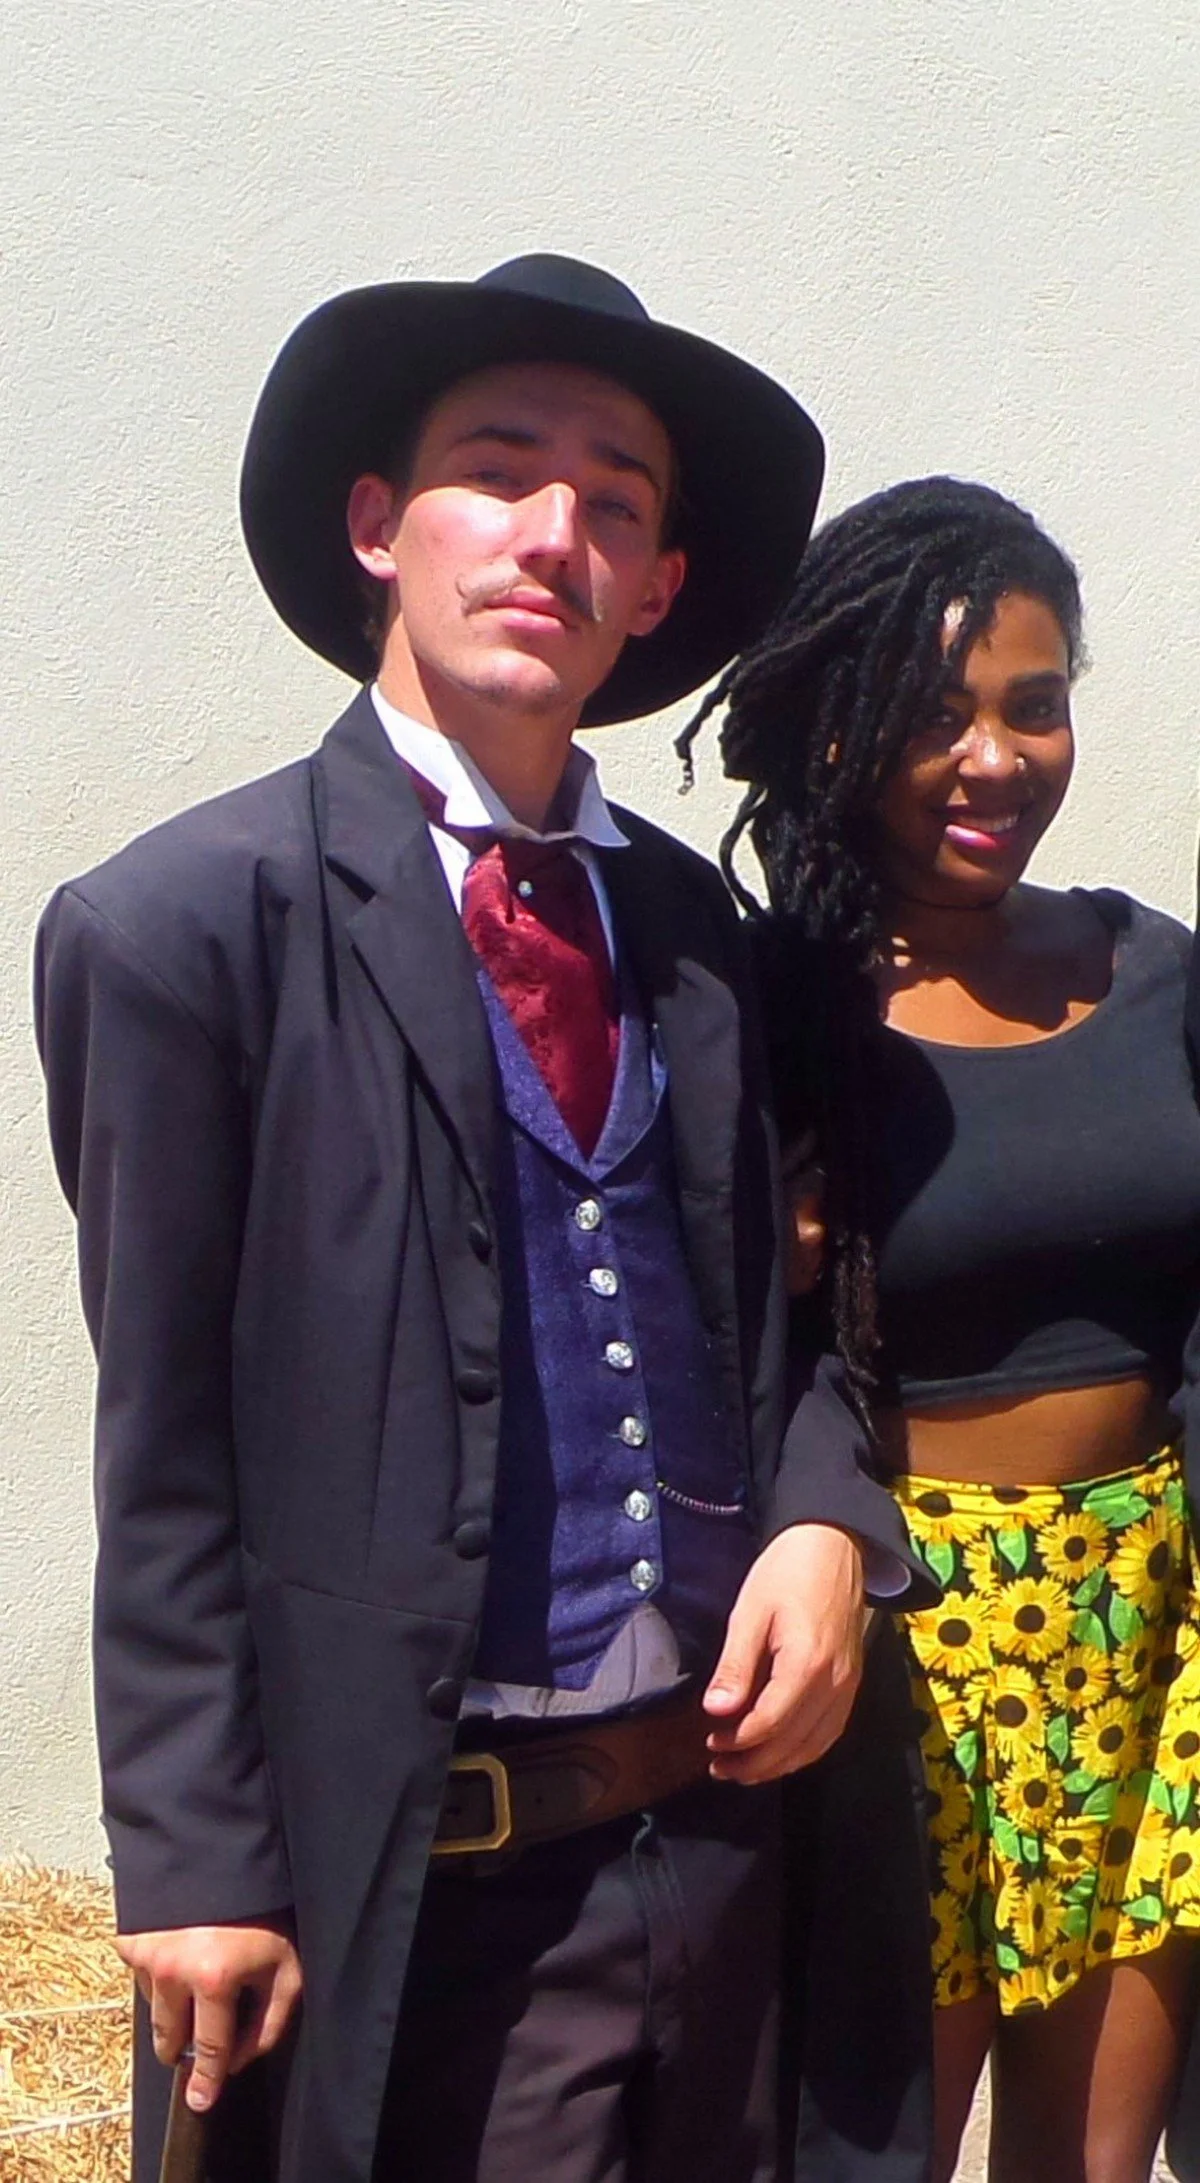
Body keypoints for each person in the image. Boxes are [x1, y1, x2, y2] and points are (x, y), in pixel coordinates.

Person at [33, 254, 928, 2183]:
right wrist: (197, 1856)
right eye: (497, 471)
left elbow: (799, 1335)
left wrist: (826, 1522)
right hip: (416, 1886)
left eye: (616, 500)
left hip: (722, 1852)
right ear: (377, 524)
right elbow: (166, 1438)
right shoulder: (183, 933)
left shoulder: (705, 941)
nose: (556, 531)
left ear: (661, 587)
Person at [681, 475, 1200, 2183]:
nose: (996, 756)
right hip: (908, 1636)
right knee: (868, 2155)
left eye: (1034, 706)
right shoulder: (773, 1007)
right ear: (842, 731)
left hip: (1152, 1627)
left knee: (1092, 2165)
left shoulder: (1156, 972)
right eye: (935, 713)